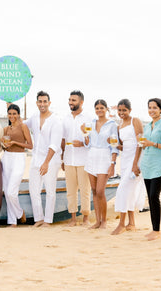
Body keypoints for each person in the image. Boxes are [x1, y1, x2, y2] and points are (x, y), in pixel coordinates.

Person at [25, 91, 62, 227]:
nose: (42, 104)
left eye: (45, 101)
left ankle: (48, 220)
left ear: (49, 103)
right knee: (33, 190)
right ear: (36, 103)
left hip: (50, 160)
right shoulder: (34, 117)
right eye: (40, 101)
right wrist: (10, 106)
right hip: (36, 158)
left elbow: (55, 144)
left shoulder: (55, 120)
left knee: (50, 191)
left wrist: (46, 163)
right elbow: (23, 124)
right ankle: (39, 218)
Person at [140, 98, 161, 241]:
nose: (152, 110)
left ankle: (157, 230)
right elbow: (145, 143)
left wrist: (151, 143)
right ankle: (154, 229)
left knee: (154, 196)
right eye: (149, 107)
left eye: (155, 107)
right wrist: (143, 144)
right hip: (147, 165)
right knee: (150, 198)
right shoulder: (147, 126)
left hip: (160, 165)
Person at [111, 99, 145, 235]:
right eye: (119, 110)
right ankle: (131, 223)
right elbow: (124, 146)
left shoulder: (135, 121)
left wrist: (135, 164)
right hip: (125, 161)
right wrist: (114, 144)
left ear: (130, 110)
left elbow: (140, 143)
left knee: (122, 190)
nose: (121, 113)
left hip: (135, 161)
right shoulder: (119, 125)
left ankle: (121, 224)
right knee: (129, 191)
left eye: (124, 110)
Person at [83, 99, 118, 229]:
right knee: (93, 190)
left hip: (104, 156)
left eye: (101, 108)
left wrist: (113, 163)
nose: (99, 110)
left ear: (106, 109)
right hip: (92, 155)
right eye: (97, 108)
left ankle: (104, 221)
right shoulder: (91, 123)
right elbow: (88, 143)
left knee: (100, 190)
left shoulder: (112, 124)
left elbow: (114, 145)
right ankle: (97, 221)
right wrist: (85, 136)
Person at [61, 90, 92, 226]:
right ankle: (73, 218)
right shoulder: (65, 119)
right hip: (68, 159)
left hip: (84, 160)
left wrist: (83, 143)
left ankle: (85, 218)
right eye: (69, 100)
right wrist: (62, 158)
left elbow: (92, 140)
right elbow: (63, 140)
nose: (70, 102)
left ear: (81, 102)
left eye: (73, 100)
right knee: (71, 191)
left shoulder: (88, 118)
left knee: (85, 190)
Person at [1, 104, 32, 227]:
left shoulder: (23, 126)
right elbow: (3, 146)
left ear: (18, 114)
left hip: (19, 158)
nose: (12, 116)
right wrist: (4, 145)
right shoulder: (6, 129)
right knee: (6, 191)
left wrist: (14, 142)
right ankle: (12, 221)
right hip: (7, 158)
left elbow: (30, 145)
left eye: (14, 114)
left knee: (11, 192)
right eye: (10, 114)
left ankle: (20, 213)